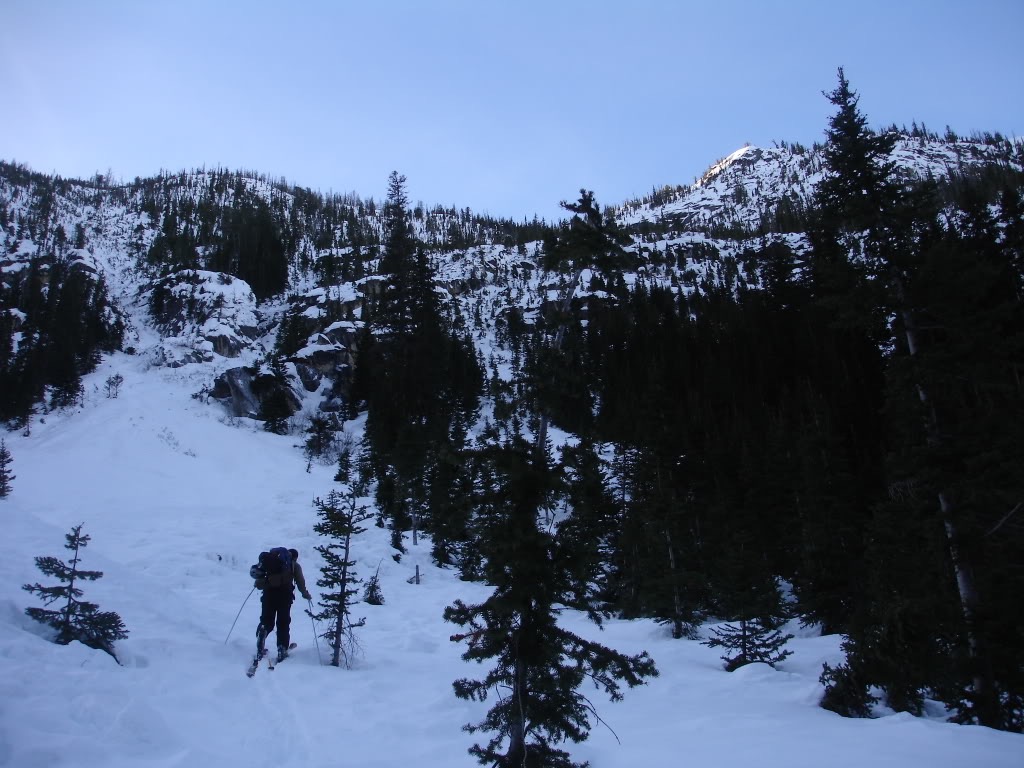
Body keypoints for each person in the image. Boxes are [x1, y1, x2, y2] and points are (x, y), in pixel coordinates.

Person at [257, 548, 312, 662]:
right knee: (283, 623)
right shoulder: (294, 566)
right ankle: (282, 649)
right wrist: (305, 594)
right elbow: (300, 582)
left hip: (268, 595)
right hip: (284, 596)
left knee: (267, 620)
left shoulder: (273, 564)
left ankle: (263, 632)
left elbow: (260, 578)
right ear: (295, 557)